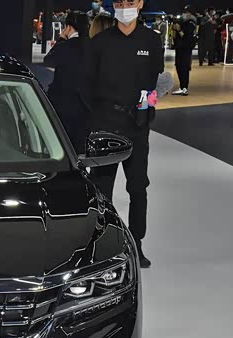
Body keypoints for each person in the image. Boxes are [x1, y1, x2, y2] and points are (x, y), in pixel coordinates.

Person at [85, 0, 164, 269]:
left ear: (140, 3)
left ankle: (137, 243)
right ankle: (98, 243)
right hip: (105, 124)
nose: (125, 6)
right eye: (119, 2)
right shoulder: (100, 42)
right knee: (101, 190)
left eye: (130, 1)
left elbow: (154, 84)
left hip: (137, 127)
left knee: (138, 188)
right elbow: (88, 84)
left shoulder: (151, 41)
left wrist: (148, 108)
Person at [45, 11, 89, 153]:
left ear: (68, 27)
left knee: (62, 146)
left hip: (62, 104)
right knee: (80, 149)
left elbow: (48, 60)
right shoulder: (93, 46)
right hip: (85, 107)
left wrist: (61, 39)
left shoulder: (65, 46)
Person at [172, 6, 197, 96]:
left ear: (189, 14)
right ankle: (182, 87)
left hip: (185, 49)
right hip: (180, 48)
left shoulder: (190, 23)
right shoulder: (184, 22)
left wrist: (179, 29)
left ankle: (184, 88)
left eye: (186, 12)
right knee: (179, 66)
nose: (184, 14)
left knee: (184, 68)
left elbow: (186, 37)